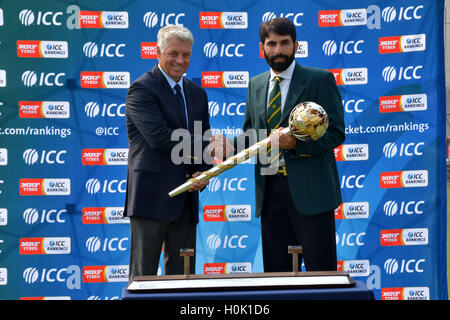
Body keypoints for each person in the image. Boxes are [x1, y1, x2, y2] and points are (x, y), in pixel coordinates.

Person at [209, 18, 345, 272]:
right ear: (262, 48)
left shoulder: (320, 80)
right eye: (272, 44)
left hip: (312, 192)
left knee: (321, 273)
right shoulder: (256, 84)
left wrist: (296, 144)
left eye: (285, 43)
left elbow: (336, 133)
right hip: (270, 191)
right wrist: (232, 144)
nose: (278, 50)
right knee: (277, 274)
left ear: (296, 45)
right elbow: (253, 134)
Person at [124, 25, 211, 282]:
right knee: (143, 280)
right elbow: (159, 138)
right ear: (158, 51)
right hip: (150, 199)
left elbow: (204, 139)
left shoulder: (197, 93)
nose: (180, 61)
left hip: (186, 201)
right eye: (173, 53)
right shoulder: (142, 89)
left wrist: (204, 172)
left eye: (186, 55)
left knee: (183, 280)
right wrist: (210, 143)